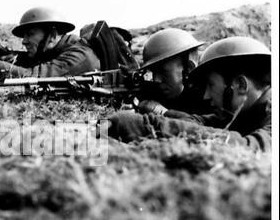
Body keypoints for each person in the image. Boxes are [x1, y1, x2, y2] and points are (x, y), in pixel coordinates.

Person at [105, 36, 272, 152]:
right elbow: (198, 122)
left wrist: (144, 126)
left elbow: (249, 148)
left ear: (240, 85)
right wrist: (149, 118)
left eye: (211, 85)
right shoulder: (243, 112)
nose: (206, 95)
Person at [0, 7, 100, 77]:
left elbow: (32, 76)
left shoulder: (79, 56)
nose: (24, 41)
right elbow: (26, 63)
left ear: (52, 34)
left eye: (30, 34)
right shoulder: (55, 50)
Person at [134, 28, 211, 116]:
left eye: (163, 72)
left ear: (189, 68)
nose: (156, 80)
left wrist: (162, 112)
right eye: (154, 72)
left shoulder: (210, 99)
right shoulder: (155, 93)